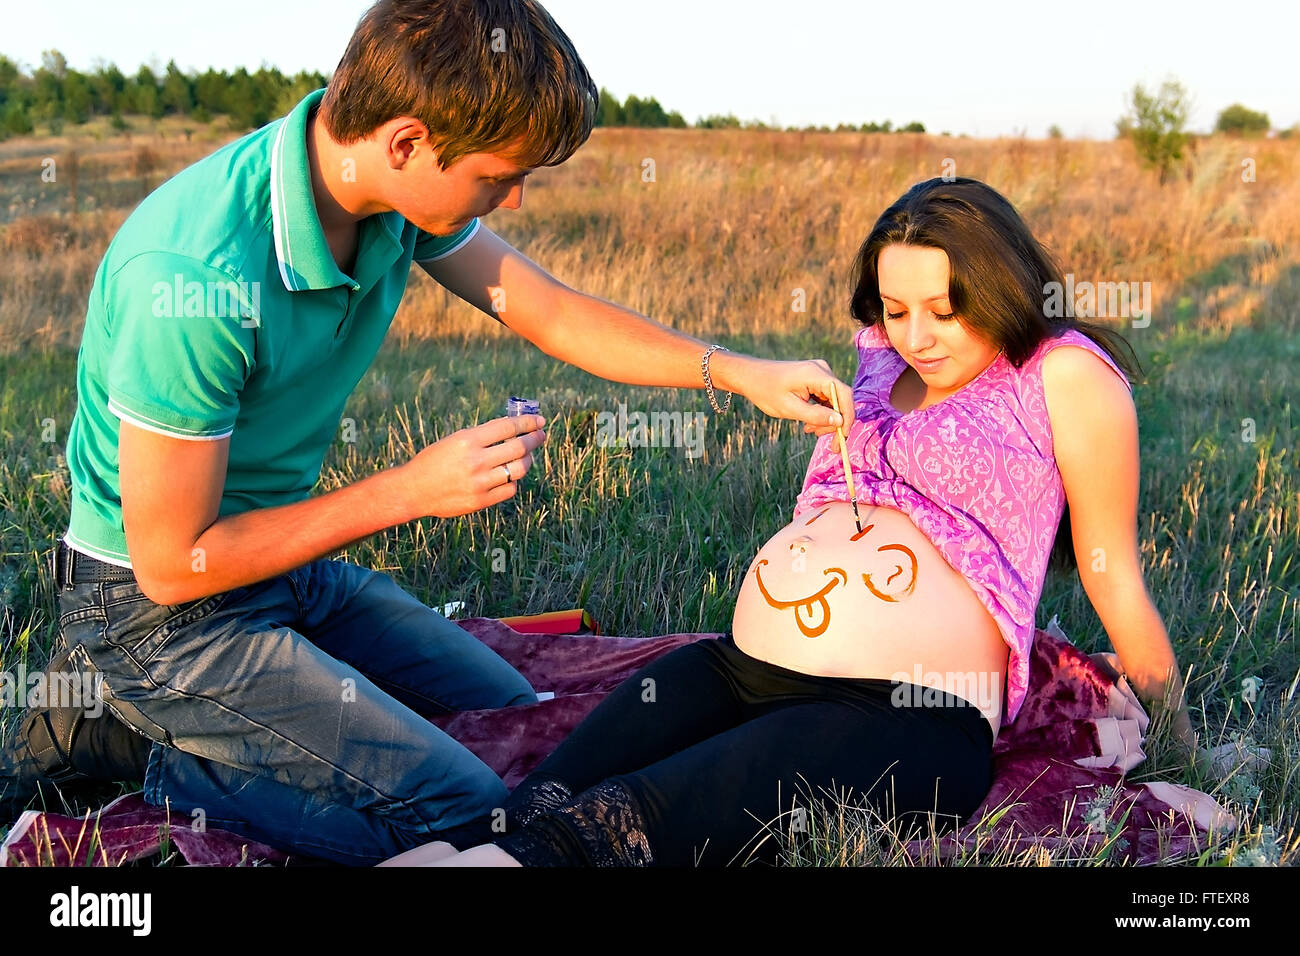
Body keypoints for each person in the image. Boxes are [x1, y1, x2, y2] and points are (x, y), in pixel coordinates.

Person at [0, 0, 854, 865]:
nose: (513, 197)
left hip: (284, 570)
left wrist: (740, 372)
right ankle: (137, 750)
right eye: (498, 175)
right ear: (407, 143)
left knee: (507, 706)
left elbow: (550, 311)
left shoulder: (393, 201)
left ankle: (228, 732)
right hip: (156, 616)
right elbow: (174, 562)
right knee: (466, 811)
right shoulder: (193, 278)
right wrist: (410, 491)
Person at [380, 176, 1201, 867]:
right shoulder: (879, 357)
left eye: (945, 310)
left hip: (907, 712)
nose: (916, 336)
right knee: (529, 804)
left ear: (1000, 287)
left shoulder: (1060, 373)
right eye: (896, 307)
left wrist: (1184, 741)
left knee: (607, 832)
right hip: (738, 670)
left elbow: (1110, 569)